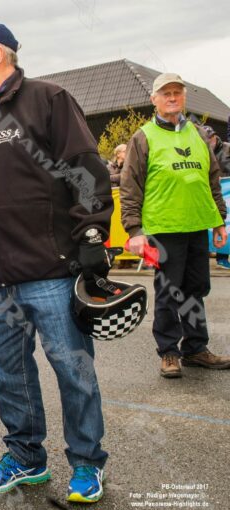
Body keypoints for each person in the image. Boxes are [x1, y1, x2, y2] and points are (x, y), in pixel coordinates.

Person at [0, 21, 114, 503]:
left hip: (51, 272)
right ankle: (25, 458)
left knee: (74, 371)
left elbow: (85, 171)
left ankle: (87, 462)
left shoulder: (48, 99)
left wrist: (91, 236)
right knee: (9, 375)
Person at [120, 73, 230, 379]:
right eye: (166, 93)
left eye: (177, 93)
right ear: (154, 99)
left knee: (195, 289)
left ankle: (196, 348)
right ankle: (169, 351)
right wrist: (134, 230)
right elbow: (130, 186)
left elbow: (212, 179)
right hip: (163, 228)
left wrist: (219, 221)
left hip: (197, 224)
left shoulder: (197, 133)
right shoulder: (143, 137)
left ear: (184, 97)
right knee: (169, 292)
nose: (172, 98)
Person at [203, 126, 230, 268]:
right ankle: (208, 253)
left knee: (224, 221)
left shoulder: (227, 148)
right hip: (208, 190)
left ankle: (223, 255)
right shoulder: (202, 149)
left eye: (212, 137)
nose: (211, 141)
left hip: (225, 191)